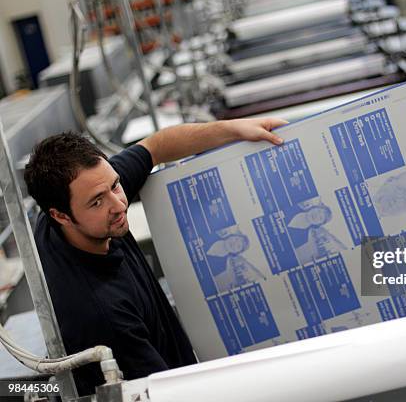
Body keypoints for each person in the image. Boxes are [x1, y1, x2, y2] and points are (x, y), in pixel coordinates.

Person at [23, 118, 287, 396]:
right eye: (97, 201)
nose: (119, 204)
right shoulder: (101, 313)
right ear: (60, 215)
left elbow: (157, 146)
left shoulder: (83, 193)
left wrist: (235, 129)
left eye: (115, 185)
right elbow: (168, 395)